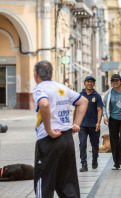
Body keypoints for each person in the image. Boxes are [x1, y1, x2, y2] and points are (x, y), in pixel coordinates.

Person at [32, 60, 88, 197]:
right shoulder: (61, 87)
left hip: (49, 140)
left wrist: (49, 130)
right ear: (51, 73)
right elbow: (83, 101)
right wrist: (77, 124)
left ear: (35, 75)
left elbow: (44, 104)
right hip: (67, 139)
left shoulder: (40, 88)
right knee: (67, 183)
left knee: (44, 182)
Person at [103, 74, 121, 170]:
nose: (115, 82)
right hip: (113, 119)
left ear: (120, 81)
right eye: (113, 81)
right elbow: (104, 105)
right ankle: (116, 162)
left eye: (117, 80)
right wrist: (105, 116)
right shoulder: (109, 93)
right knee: (114, 141)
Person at [76, 76, 103, 172]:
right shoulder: (80, 95)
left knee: (95, 145)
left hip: (93, 125)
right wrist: (75, 123)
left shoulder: (97, 96)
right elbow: (77, 108)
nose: (90, 83)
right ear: (84, 83)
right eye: (88, 82)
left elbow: (99, 110)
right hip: (82, 125)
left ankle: (95, 159)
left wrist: (98, 122)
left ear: (94, 84)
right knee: (82, 144)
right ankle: (84, 164)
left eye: (92, 82)